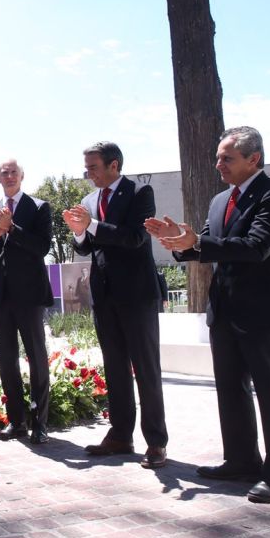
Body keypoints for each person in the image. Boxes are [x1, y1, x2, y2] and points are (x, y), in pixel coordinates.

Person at [147, 126, 270, 503]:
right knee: (231, 389)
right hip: (224, 310)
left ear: (254, 159)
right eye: (217, 157)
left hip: (262, 311)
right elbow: (203, 245)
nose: (218, 164)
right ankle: (241, 460)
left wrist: (197, 242)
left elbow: (256, 247)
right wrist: (178, 242)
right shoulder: (220, 201)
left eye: (227, 158)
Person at [63, 141, 168, 469]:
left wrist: (92, 225)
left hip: (137, 294)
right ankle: (121, 435)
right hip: (104, 295)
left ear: (114, 165)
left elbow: (135, 237)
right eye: (86, 169)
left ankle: (156, 442)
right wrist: (79, 232)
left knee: (146, 369)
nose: (89, 175)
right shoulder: (89, 201)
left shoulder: (139, 193)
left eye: (93, 168)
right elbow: (86, 248)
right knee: (115, 368)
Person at [0, 159, 53, 444]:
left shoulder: (38, 207)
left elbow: (42, 247)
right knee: (7, 360)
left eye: (13, 172)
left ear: (22, 176)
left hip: (30, 296)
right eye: (4, 173)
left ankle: (40, 423)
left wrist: (12, 228)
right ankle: (16, 421)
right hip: (1, 297)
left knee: (36, 358)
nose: (9, 176)